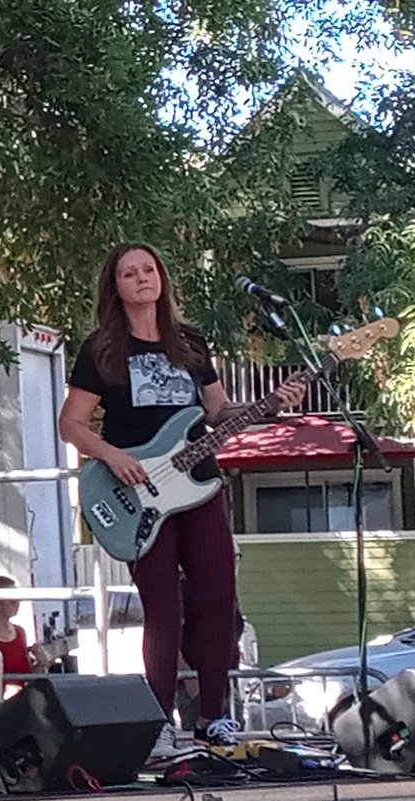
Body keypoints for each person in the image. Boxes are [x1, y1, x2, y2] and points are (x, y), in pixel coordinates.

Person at [58, 242, 302, 754]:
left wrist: (270, 406)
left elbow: (215, 412)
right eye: (130, 273)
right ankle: (159, 720)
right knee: (162, 608)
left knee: (218, 598)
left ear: (162, 279)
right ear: (116, 286)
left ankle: (214, 717)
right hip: (137, 490)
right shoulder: (101, 348)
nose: (142, 278)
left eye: (149, 270)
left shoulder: (189, 342)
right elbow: (71, 424)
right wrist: (113, 456)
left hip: (200, 484)